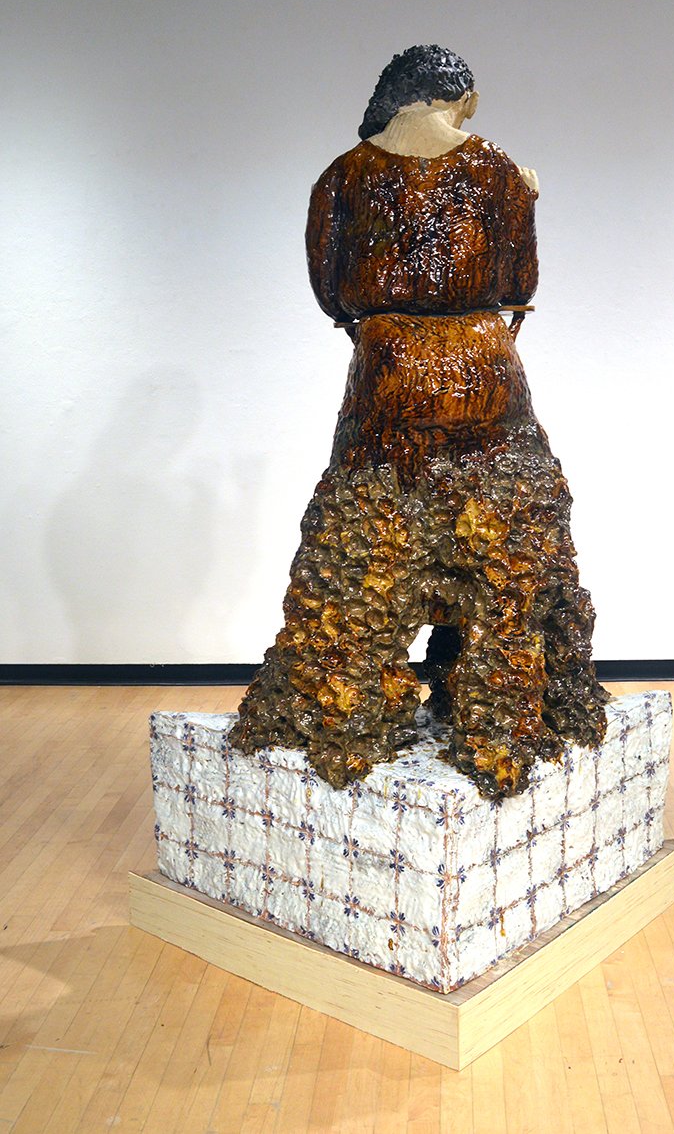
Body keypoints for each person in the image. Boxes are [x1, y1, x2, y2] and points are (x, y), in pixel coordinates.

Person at [230, 46, 608, 798]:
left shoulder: (342, 175)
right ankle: (506, 707)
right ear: (457, 97)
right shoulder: (498, 170)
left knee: (366, 536)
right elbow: (519, 283)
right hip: (484, 367)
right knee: (508, 546)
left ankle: (346, 703)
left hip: (387, 373)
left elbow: (332, 291)